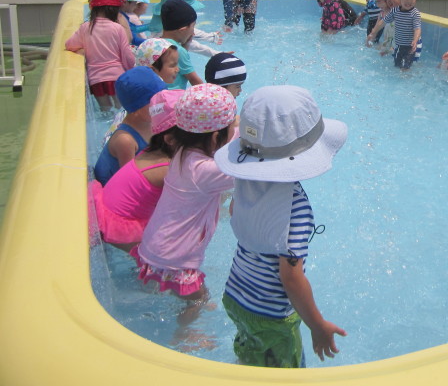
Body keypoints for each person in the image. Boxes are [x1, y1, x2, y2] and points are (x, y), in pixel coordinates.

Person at [214, 85, 348, 367]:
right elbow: (291, 279)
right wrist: (317, 325)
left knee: (251, 353)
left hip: (236, 295)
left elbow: (234, 212)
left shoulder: (246, 181)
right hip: (271, 315)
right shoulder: (295, 209)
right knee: (284, 375)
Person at [132, 83, 238, 338]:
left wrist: (234, 130)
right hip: (175, 258)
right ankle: (184, 335)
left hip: (156, 245)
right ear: (216, 138)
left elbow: (229, 140)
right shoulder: (206, 172)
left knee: (180, 291)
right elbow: (247, 171)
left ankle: (174, 295)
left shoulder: (183, 152)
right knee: (199, 298)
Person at [92, 89, 183, 251]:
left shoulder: (152, 150)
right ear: (170, 139)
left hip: (108, 208)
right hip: (119, 225)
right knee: (156, 258)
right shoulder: (166, 168)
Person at [65, 0, 135, 112]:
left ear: (92, 7)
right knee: (121, 110)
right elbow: (126, 55)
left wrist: (82, 49)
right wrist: (132, 70)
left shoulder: (86, 27)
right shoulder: (117, 28)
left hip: (96, 80)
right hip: (116, 77)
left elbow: (69, 45)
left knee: (105, 110)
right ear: (115, 9)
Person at [93, 67, 167, 185]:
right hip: (111, 187)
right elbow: (129, 181)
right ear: (136, 108)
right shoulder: (126, 141)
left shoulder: (150, 121)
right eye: (155, 102)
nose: (161, 105)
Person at [149, 0, 222, 58]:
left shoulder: (167, 14)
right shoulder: (164, 38)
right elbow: (191, 40)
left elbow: (188, 29)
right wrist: (216, 53)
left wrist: (209, 37)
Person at [367, 0, 421, 70]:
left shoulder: (415, 13)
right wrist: (373, 33)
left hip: (412, 46)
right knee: (396, 65)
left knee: (406, 68)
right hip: (399, 45)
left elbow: (417, 29)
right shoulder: (395, 11)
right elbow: (383, 22)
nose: (408, 1)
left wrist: (415, 40)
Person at [160, 0, 203, 90]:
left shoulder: (154, 43)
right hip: (174, 97)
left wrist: (185, 46)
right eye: (193, 26)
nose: (193, 32)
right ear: (183, 29)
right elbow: (195, 81)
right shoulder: (178, 51)